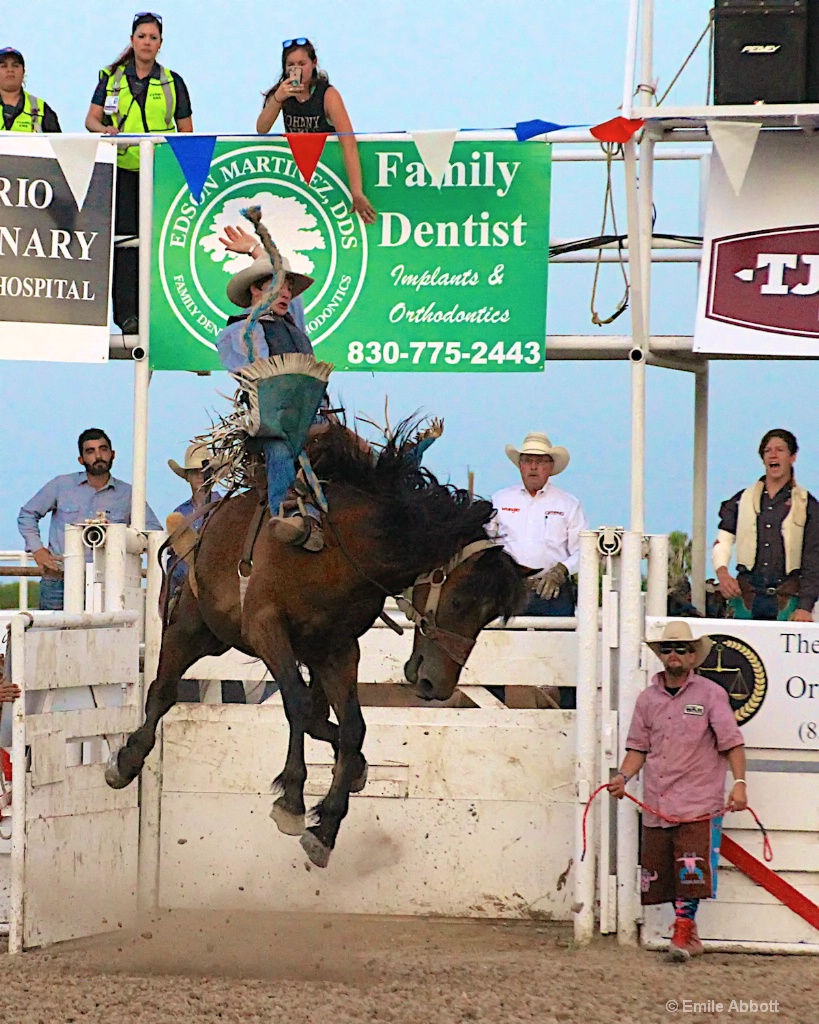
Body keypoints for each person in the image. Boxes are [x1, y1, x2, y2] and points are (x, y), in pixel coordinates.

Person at [609, 621, 747, 963]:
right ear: (661, 655)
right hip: (658, 798)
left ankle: (682, 929)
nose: (674, 655)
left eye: (682, 650)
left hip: (699, 798)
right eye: (669, 649)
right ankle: (689, 930)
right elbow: (638, 748)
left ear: (692, 657)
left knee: (691, 866)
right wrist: (623, 777)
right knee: (666, 870)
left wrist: (740, 784)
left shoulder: (711, 694)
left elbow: (732, 743)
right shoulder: (647, 699)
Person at [84, 12, 193, 335]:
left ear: (161, 44)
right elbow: (90, 120)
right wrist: (107, 129)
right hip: (121, 172)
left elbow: (186, 130)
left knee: (159, 242)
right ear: (132, 40)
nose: (147, 42)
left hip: (159, 173)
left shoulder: (173, 82)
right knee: (124, 244)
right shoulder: (111, 78)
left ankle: (158, 312)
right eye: (142, 36)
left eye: (153, 38)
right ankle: (127, 315)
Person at [216, 252, 327, 551]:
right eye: (280, 286)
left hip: (315, 416)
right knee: (278, 448)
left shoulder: (292, 324)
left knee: (356, 449)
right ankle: (287, 512)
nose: (288, 294)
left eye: (290, 289)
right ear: (256, 290)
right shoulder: (238, 332)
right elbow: (256, 377)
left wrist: (257, 250)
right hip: (271, 420)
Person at [17, 428, 161, 610]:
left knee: (105, 634)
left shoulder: (128, 494)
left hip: (108, 583)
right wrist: (37, 550)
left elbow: (152, 530)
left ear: (113, 454)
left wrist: (122, 537)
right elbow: (27, 514)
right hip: (59, 580)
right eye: (90, 451)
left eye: (103, 449)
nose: (98, 456)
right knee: (55, 634)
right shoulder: (62, 485)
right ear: (81, 459)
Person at [256, 38, 376, 225]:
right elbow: (261, 129)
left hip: (328, 174)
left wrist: (357, 192)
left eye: (302, 64)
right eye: (291, 65)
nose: (297, 69)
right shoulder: (281, 94)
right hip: (300, 177)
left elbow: (349, 143)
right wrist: (278, 98)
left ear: (314, 63)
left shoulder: (328, 95)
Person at [712, 428, 819, 621]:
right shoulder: (741, 500)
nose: (773, 455)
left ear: (792, 457)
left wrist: (805, 606)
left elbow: (814, 558)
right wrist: (723, 574)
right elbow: (723, 541)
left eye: (780, 449)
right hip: (745, 597)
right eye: (768, 450)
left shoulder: (807, 505)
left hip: (787, 599)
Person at [491, 432, 588, 616]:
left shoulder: (568, 504)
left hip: (552, 594)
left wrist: (561, 571)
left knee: (557, 641)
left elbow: (583, 550)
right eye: (527, 461)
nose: (533, 467)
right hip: (508, 591)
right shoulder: (499, 500)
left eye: (540, 461)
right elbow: (487, 542)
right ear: (520, 466)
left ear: (550, 467)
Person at [0, 46, 60, 132]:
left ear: (23, 72)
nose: (10, 70)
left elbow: (56, 143)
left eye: (15, 66)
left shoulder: (41, 109)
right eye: (3, 66)